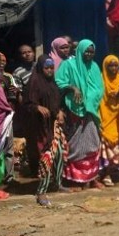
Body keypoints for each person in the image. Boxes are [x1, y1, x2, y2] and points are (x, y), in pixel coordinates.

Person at [55, 39, 105, 190]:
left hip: (91, 111)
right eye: (86, 51)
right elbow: (58, 82)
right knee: (75, 146)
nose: (89, 54)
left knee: (93, 144)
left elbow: (99, 88)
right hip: (74, 111)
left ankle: (92, 178)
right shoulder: (68, 65)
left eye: (92, 52)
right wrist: (73, 88)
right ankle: (75, 180)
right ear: (80, 51)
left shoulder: (95, 67)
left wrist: (89, 99)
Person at [23, 56, 67, 206]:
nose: (49, 71)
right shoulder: (34, 82)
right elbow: (27, 104)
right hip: (39, 128)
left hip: (53, 127)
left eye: (51, 68)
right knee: (46, 158)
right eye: (46, 68)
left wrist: (60, 112)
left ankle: (57, 184)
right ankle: (41, 191)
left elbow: (56, 103)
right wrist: (37, 107)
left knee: (59, 154)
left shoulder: (52, 83)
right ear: (41, 69)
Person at [99, 55, 119, 186]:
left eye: (116, 65)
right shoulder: (100, 79)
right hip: (105, 116)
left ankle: (116, 173)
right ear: (105, 66)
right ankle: (106, 174)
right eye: (110, 65)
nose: (113, 68)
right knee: (106, 147)